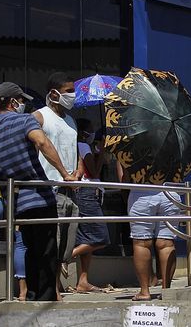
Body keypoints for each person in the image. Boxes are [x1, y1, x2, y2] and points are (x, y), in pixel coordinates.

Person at [0, 82, 77, 301]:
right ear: (13, 102)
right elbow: (42, 142)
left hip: (16, 202)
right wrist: (65, 173)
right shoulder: (25, 120)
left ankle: (31, 295)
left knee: (29, 248)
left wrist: (6, 173)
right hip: (40, 197)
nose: (22, 104)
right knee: (47, 250)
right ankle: (45, 299)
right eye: (21, 101)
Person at [33, 72, 83, 299]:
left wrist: (79, 171)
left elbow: (75, 150)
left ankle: (56, 285)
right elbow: (34, 150)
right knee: (52, 241)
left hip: (71, 189)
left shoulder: (71, 120)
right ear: (54, 94)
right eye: (68, 92)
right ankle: (50, 289)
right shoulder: (40, 116)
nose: (72, 96)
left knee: (66, 245)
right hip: (51, 188)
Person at [72, 118, 110, 293]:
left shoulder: (82, 147)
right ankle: (65, 257)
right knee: (101, 237)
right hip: (88, 193)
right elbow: (94, 171)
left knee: (86, 238)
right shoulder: (83, 146)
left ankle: (83, 280)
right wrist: (101, 153)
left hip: (86, 193)